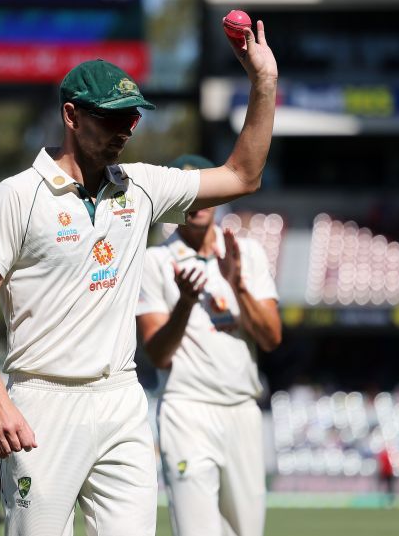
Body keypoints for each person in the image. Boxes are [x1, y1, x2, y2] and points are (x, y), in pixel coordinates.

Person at [0, 19, 277, 536]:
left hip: (122, 399)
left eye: (132, 118)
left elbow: (242, 175)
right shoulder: (17, 196)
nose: (126, 130)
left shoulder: (142, 188)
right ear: (71, 116)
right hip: (42, 401)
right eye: (112, 119)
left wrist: (263, 82)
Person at [135, 155, 282, 536]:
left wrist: (237, 284)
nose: (197, 206)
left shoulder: (246, 254)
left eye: (204, 196)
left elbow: (271, 337)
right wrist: (184, 302)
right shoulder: (155, 261)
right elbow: (157, 354)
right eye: (189, 197)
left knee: (246, 531)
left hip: (242, 410)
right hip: (186, 411)